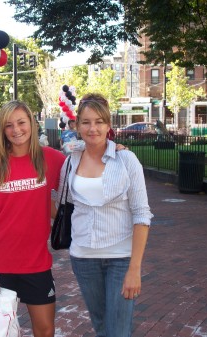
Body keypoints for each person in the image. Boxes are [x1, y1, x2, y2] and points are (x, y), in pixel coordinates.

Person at [57, 93, 153, 337]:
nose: (93, 128)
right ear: (77, 125)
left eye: (99, 122)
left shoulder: (126, 160)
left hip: (120, 258)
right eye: (86, 122)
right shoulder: (70, 162)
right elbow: (63, 204)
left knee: (118, 331)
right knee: (102, 328)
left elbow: (142, 215)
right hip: (83, 258)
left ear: (108, 125)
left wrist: (135, 268)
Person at [0, 100, 66, 337]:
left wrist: (114, 148)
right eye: (9, 125)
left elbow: (87, 165)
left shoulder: (52, 159)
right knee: (0, 331)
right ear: (2, 130)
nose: (16, 130)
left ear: (32, 124)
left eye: (21, 122)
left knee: (45, 329)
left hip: (36, 262)